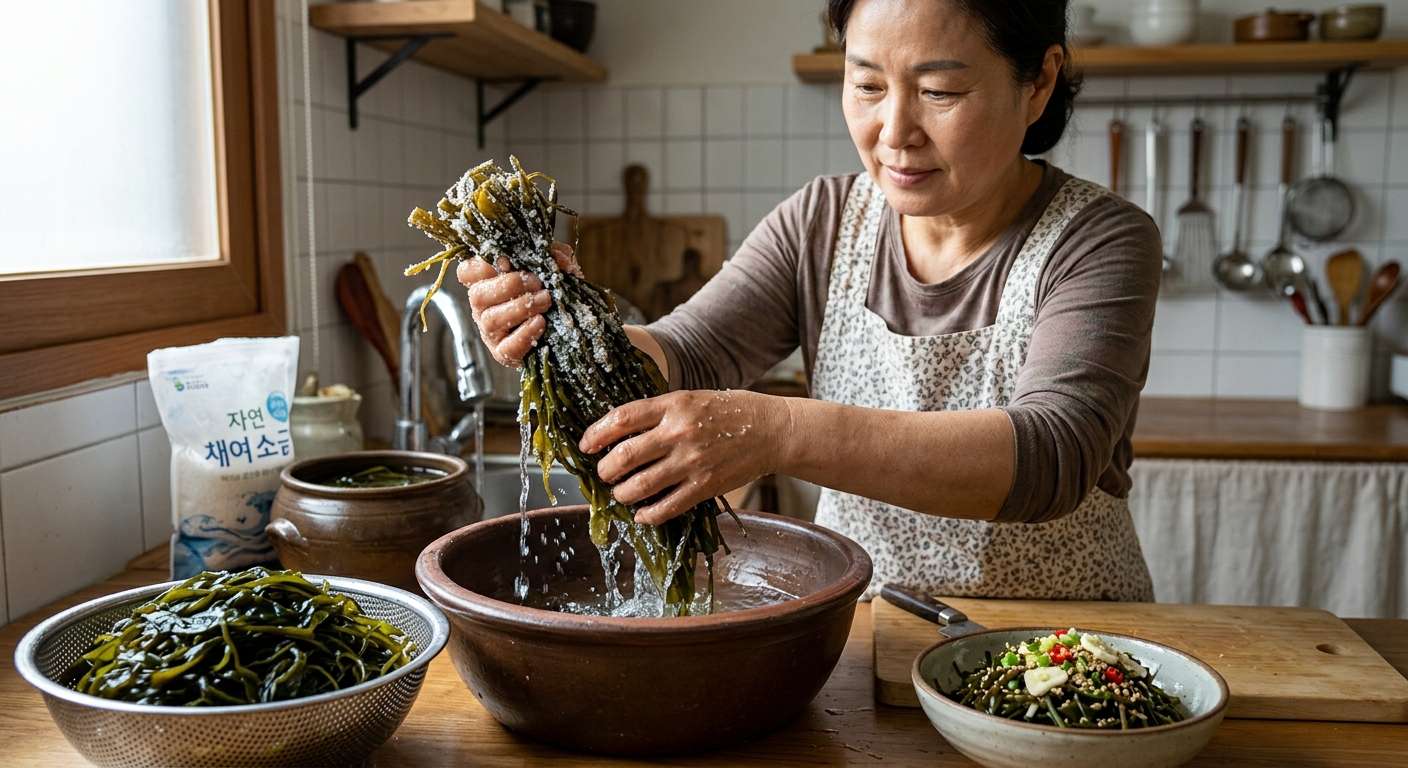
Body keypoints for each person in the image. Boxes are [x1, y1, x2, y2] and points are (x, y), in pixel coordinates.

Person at [459, 0, 1160, 601]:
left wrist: (778, 433)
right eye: (866, 84)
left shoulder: (1101, 239)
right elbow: (685, 355)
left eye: (940, 92)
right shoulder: (821, 222)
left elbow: (1053, 453)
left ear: (1038, 81)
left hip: (1070, 652)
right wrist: (561, 319)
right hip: (865, 638)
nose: (894, 132)